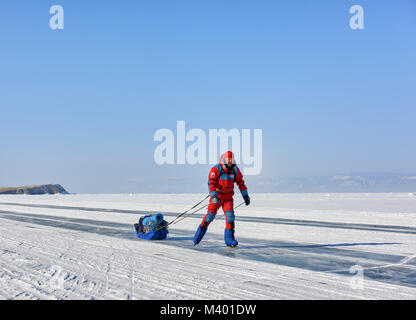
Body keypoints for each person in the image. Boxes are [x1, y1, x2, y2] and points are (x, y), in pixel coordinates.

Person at [193, 151, 250, 247]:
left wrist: (245, 196)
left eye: (232, 159)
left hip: (228, 198)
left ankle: (229, 240)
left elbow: (241, 183)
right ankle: (197, 237)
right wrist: (214, 196)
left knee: (230, 217)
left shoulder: (235, 169)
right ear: (224, 159)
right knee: (210, 216)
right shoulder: (216, 169)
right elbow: (211, 184)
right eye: (228, 159)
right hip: (217, 197)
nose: (230, 161)